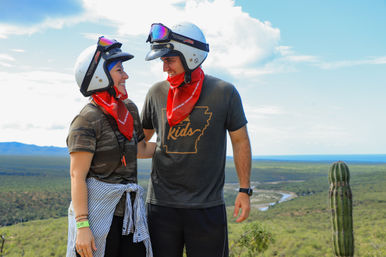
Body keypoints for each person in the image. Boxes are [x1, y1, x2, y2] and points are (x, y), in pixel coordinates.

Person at [141, 22, 252, 257]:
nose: (164, 68)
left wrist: (244, 190)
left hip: (207, 207)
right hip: (161, 207)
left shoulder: (224, 92)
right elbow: (140, 143)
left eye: (168, 60)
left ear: (190, 56)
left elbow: (240, 141)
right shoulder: (156, 93)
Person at [66, 36, 155, 257]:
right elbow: (77, 176)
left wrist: (178, 145)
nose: (126, 75)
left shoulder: (129, 110)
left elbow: (141, 150)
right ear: (99, 76)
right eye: (119, 70)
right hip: (97, 216)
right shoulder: (86, 120)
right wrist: (82, 227)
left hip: (129, 217)